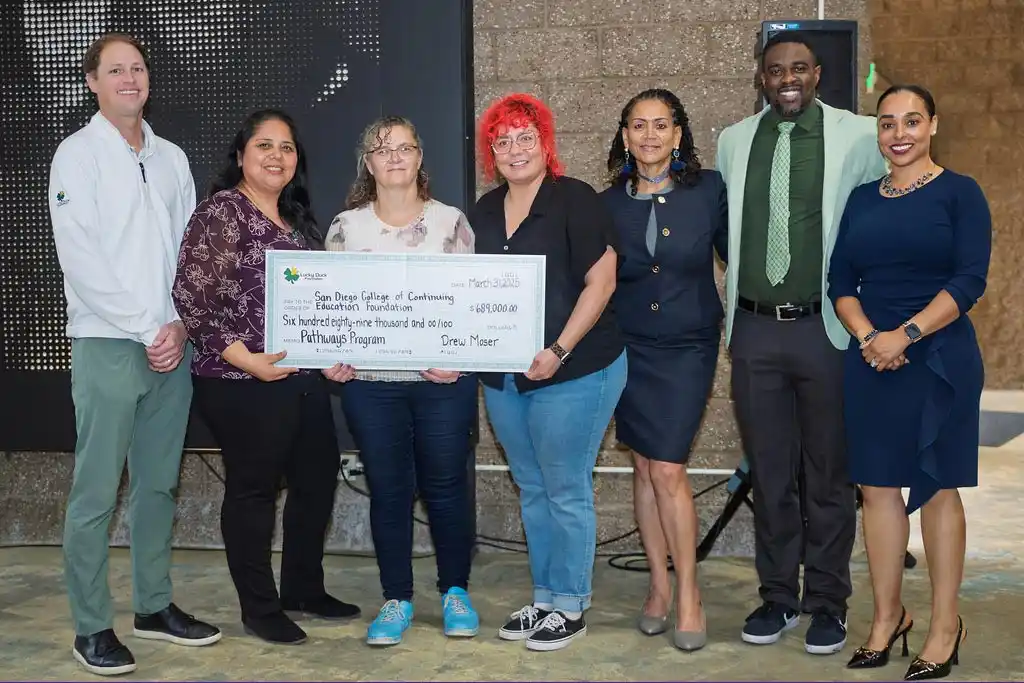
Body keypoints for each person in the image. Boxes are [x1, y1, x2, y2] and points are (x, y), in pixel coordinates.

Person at [48, 33, 221, 677]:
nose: (129, 78)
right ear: (93, 82)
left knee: (158, 484)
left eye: (138, 69)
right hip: (109, 342)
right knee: (96, 491)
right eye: (115, 70)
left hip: (171, 345)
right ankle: (91, 626)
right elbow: (81, 257)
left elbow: (189, 250)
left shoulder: (172, 156)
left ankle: (154, 606)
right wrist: (147, 326)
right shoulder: (77, 155)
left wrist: (179, 324)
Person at [714, 30, 887, 654]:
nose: (787, 78)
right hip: (755, 331)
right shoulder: (735, 140)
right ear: (761, 79)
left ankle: (828, 603)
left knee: (829, 475)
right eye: (775, 70)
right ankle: (778, 597)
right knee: (771, 473)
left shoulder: (859, 136)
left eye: (799, 69)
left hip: (827, 330)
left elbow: (883, 213)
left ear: (818, 75)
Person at [171, 109, 360, 646]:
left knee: (317, 480)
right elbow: (192, 297)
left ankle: (303, 588)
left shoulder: (298, 223)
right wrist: (246, 359)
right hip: (239, 379)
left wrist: (327, 357)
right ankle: (259, 607)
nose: (276, 156)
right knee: (254, 492)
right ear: (241, 156)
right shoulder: (223, 212)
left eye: (287, 148)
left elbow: (314, 307)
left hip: (299, 377)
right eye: (264, 146)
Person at [828, 85, 989, 681]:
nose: (899, 133)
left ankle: (946, 625)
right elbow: (840, 278)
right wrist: (871, 336)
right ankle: (886, 617)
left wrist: (907, 334)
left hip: (940, 357)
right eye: (889, 123)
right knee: (876, 489)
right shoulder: (863, 199)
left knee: (939, 488)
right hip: (870, 357)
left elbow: (971, 278)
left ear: (933, 125)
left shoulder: (960, 193)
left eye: (912, 121)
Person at [468, 93, 627, 652]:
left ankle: (571, 604)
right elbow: (468, 293)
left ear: (545, 144)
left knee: (564, 487)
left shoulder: (574, 199)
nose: (514, 150)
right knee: (532, 487)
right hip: (506, 375)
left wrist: (558, 349)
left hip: (575, 368)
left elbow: (601, 283)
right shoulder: (484, 210)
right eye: (502, 140)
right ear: (492, 151)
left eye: (525, 138)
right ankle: (545, 598)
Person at [321, 115, 480, 647]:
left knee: (446, 487)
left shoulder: (451, 221)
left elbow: (472, 306)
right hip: (369, 383)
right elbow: (329, 309)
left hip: (442, 381)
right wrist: (328, 357)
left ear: (419, 158)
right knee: (389, 490)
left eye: (404, 147)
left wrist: (461, 356)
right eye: (382, 149)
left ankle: (456, 591)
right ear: (368, 164)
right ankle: (397, 598)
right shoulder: (345, 228)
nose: (394, 157)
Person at [599, 88, 727, 652]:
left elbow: (737, 257)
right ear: (625, 136)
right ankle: (656, 587)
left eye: (660, 125)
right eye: (637, 126)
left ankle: (690, 593)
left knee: (670, 469)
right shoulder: (607, 205)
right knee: (646, 469)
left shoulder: (710, 192)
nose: (648, 135)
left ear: (678, 135)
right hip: (629, 348)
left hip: (688, 346)